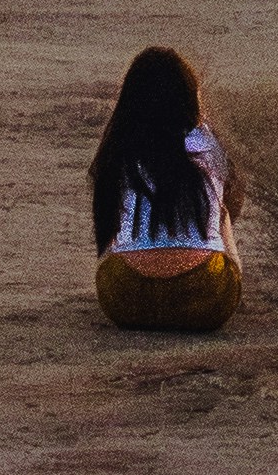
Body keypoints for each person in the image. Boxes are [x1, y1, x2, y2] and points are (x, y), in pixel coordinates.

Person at [87, 44, 239, 332]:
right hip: (207, 293)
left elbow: (107, 219)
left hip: (125, 295)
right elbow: (231, 195)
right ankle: (219, 260)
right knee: (222, 212)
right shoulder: (205, 141)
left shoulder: (121, 145)